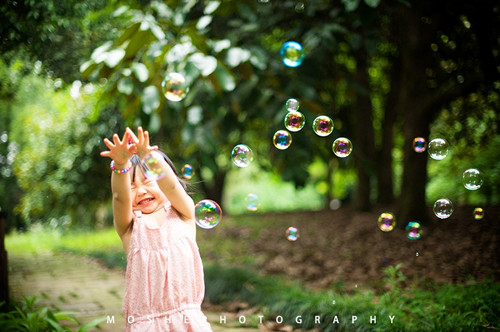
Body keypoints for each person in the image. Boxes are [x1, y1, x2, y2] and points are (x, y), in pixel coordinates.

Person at [100, 127, 212, 332]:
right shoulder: (130, 227)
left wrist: (148, 157)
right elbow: (120, 197)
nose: (140, 191)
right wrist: (120, 165)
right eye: (132, 185)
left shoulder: (184, 213)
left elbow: (170, 187)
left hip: (188, 320)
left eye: (147, 180)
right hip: (147, 324)